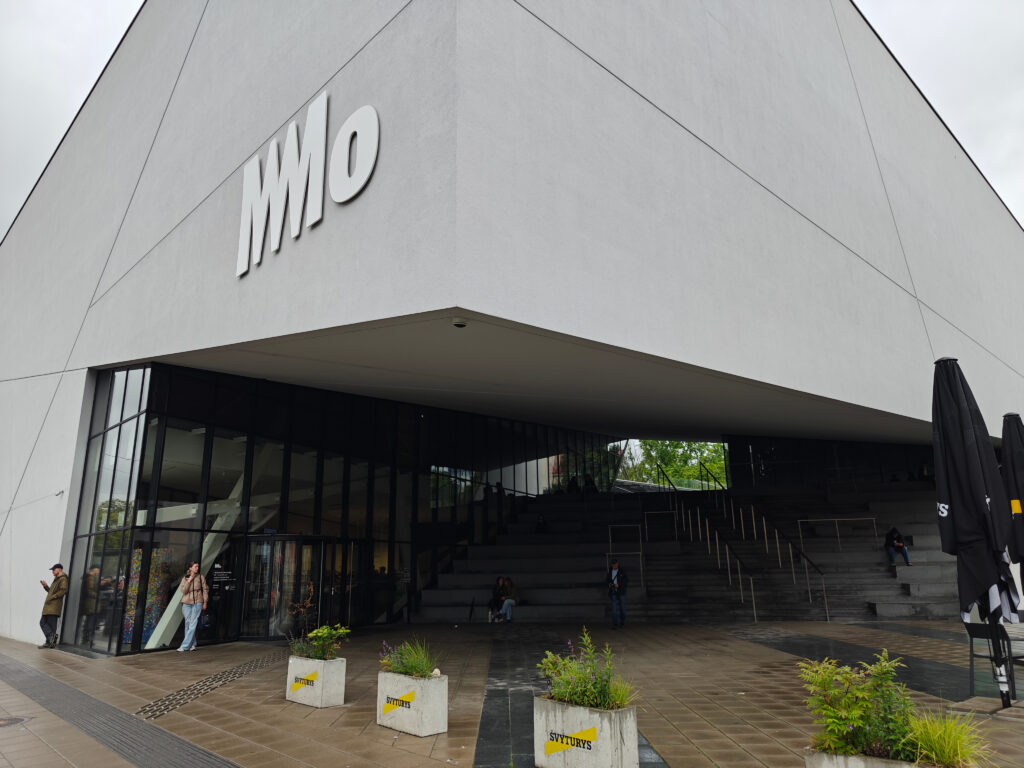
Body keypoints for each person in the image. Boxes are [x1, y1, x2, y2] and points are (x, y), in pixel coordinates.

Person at [177, 561, 208, 651]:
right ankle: (192, 644)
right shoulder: (185, 578)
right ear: (190, 568)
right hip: (186, 603)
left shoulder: (201, 577)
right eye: (195, 566)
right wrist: (189, 580)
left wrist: (205, 602)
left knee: (193, 623)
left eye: (198, 566)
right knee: (188, 623)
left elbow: (205, 590)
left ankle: (184, 646)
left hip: (198, 602)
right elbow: (184, 591)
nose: (197, 568)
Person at [39, 563, 69, 649]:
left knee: (49, 625)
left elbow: (63, 591)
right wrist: (45, 586)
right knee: (45, 624)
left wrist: (53, 597)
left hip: (54, 606)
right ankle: (50, 643)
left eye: (54, 570)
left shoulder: (63, 579)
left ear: (59, 569)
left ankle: (52, 642)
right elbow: (51, 592)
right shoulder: (56, 579)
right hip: (49, 606)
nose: (52, 571)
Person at [607, 559, 628, 628]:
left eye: (615, 564)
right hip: (613, 592)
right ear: (611, 565)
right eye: (613, 565)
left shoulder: (622, 571)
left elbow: (626, 581)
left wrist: (619, 585)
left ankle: (622, 622)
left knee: (622, 608)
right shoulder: (610, 572)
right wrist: (611, 585)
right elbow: (607, 581)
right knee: (614, 609)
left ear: (617, 564)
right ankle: (615, 623)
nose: (614, 566)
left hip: (621, 592)